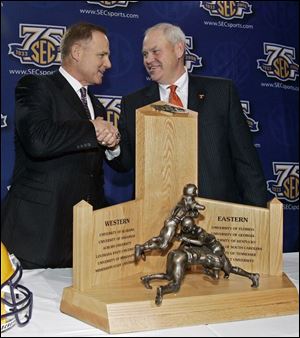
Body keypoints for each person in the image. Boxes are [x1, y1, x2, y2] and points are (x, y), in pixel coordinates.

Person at [1, 22, 120, 269]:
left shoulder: (96, 106)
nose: (108, 64)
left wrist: (112, 146)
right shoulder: (36, 86)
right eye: (102, 55)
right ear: (77, 52)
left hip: (81, 241)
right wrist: (92, 129)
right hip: (36, 235)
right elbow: (38, 140)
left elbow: (92, 173)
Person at [109, 23, 268, 208]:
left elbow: (246, 161)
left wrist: (258, 219)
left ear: (178, 49)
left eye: (155, 51)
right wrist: (113, 146)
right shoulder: (133, 103)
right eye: (145, 54)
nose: (148, 59)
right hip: (154, 219)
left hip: (215, 214)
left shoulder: (222, 93)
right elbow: (125, 162)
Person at [134, 183, 205, 262]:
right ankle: (141, 247)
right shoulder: (189, 201)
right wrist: (195, 206)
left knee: (159, 238)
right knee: (163, 246)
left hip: (169, 222)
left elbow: (192, 213)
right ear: (193, 192)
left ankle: (143, 247)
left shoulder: (183, 200)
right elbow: (202, 207)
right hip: (172, 224)